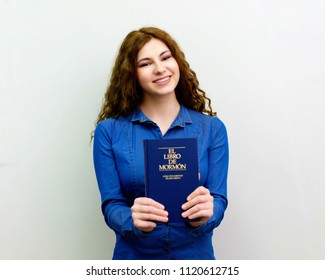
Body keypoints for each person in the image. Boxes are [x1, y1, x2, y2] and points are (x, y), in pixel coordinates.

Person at [92, 27, 229, 260]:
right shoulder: (109, 131)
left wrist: (208, 212)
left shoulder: (212, 129)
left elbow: (219, 198)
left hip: (195, 260)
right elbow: (111, 203)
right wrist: (131, 219)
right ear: (131, 74)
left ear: (177, 62)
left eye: (166, 57)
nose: (160, 68)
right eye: (145, 64)